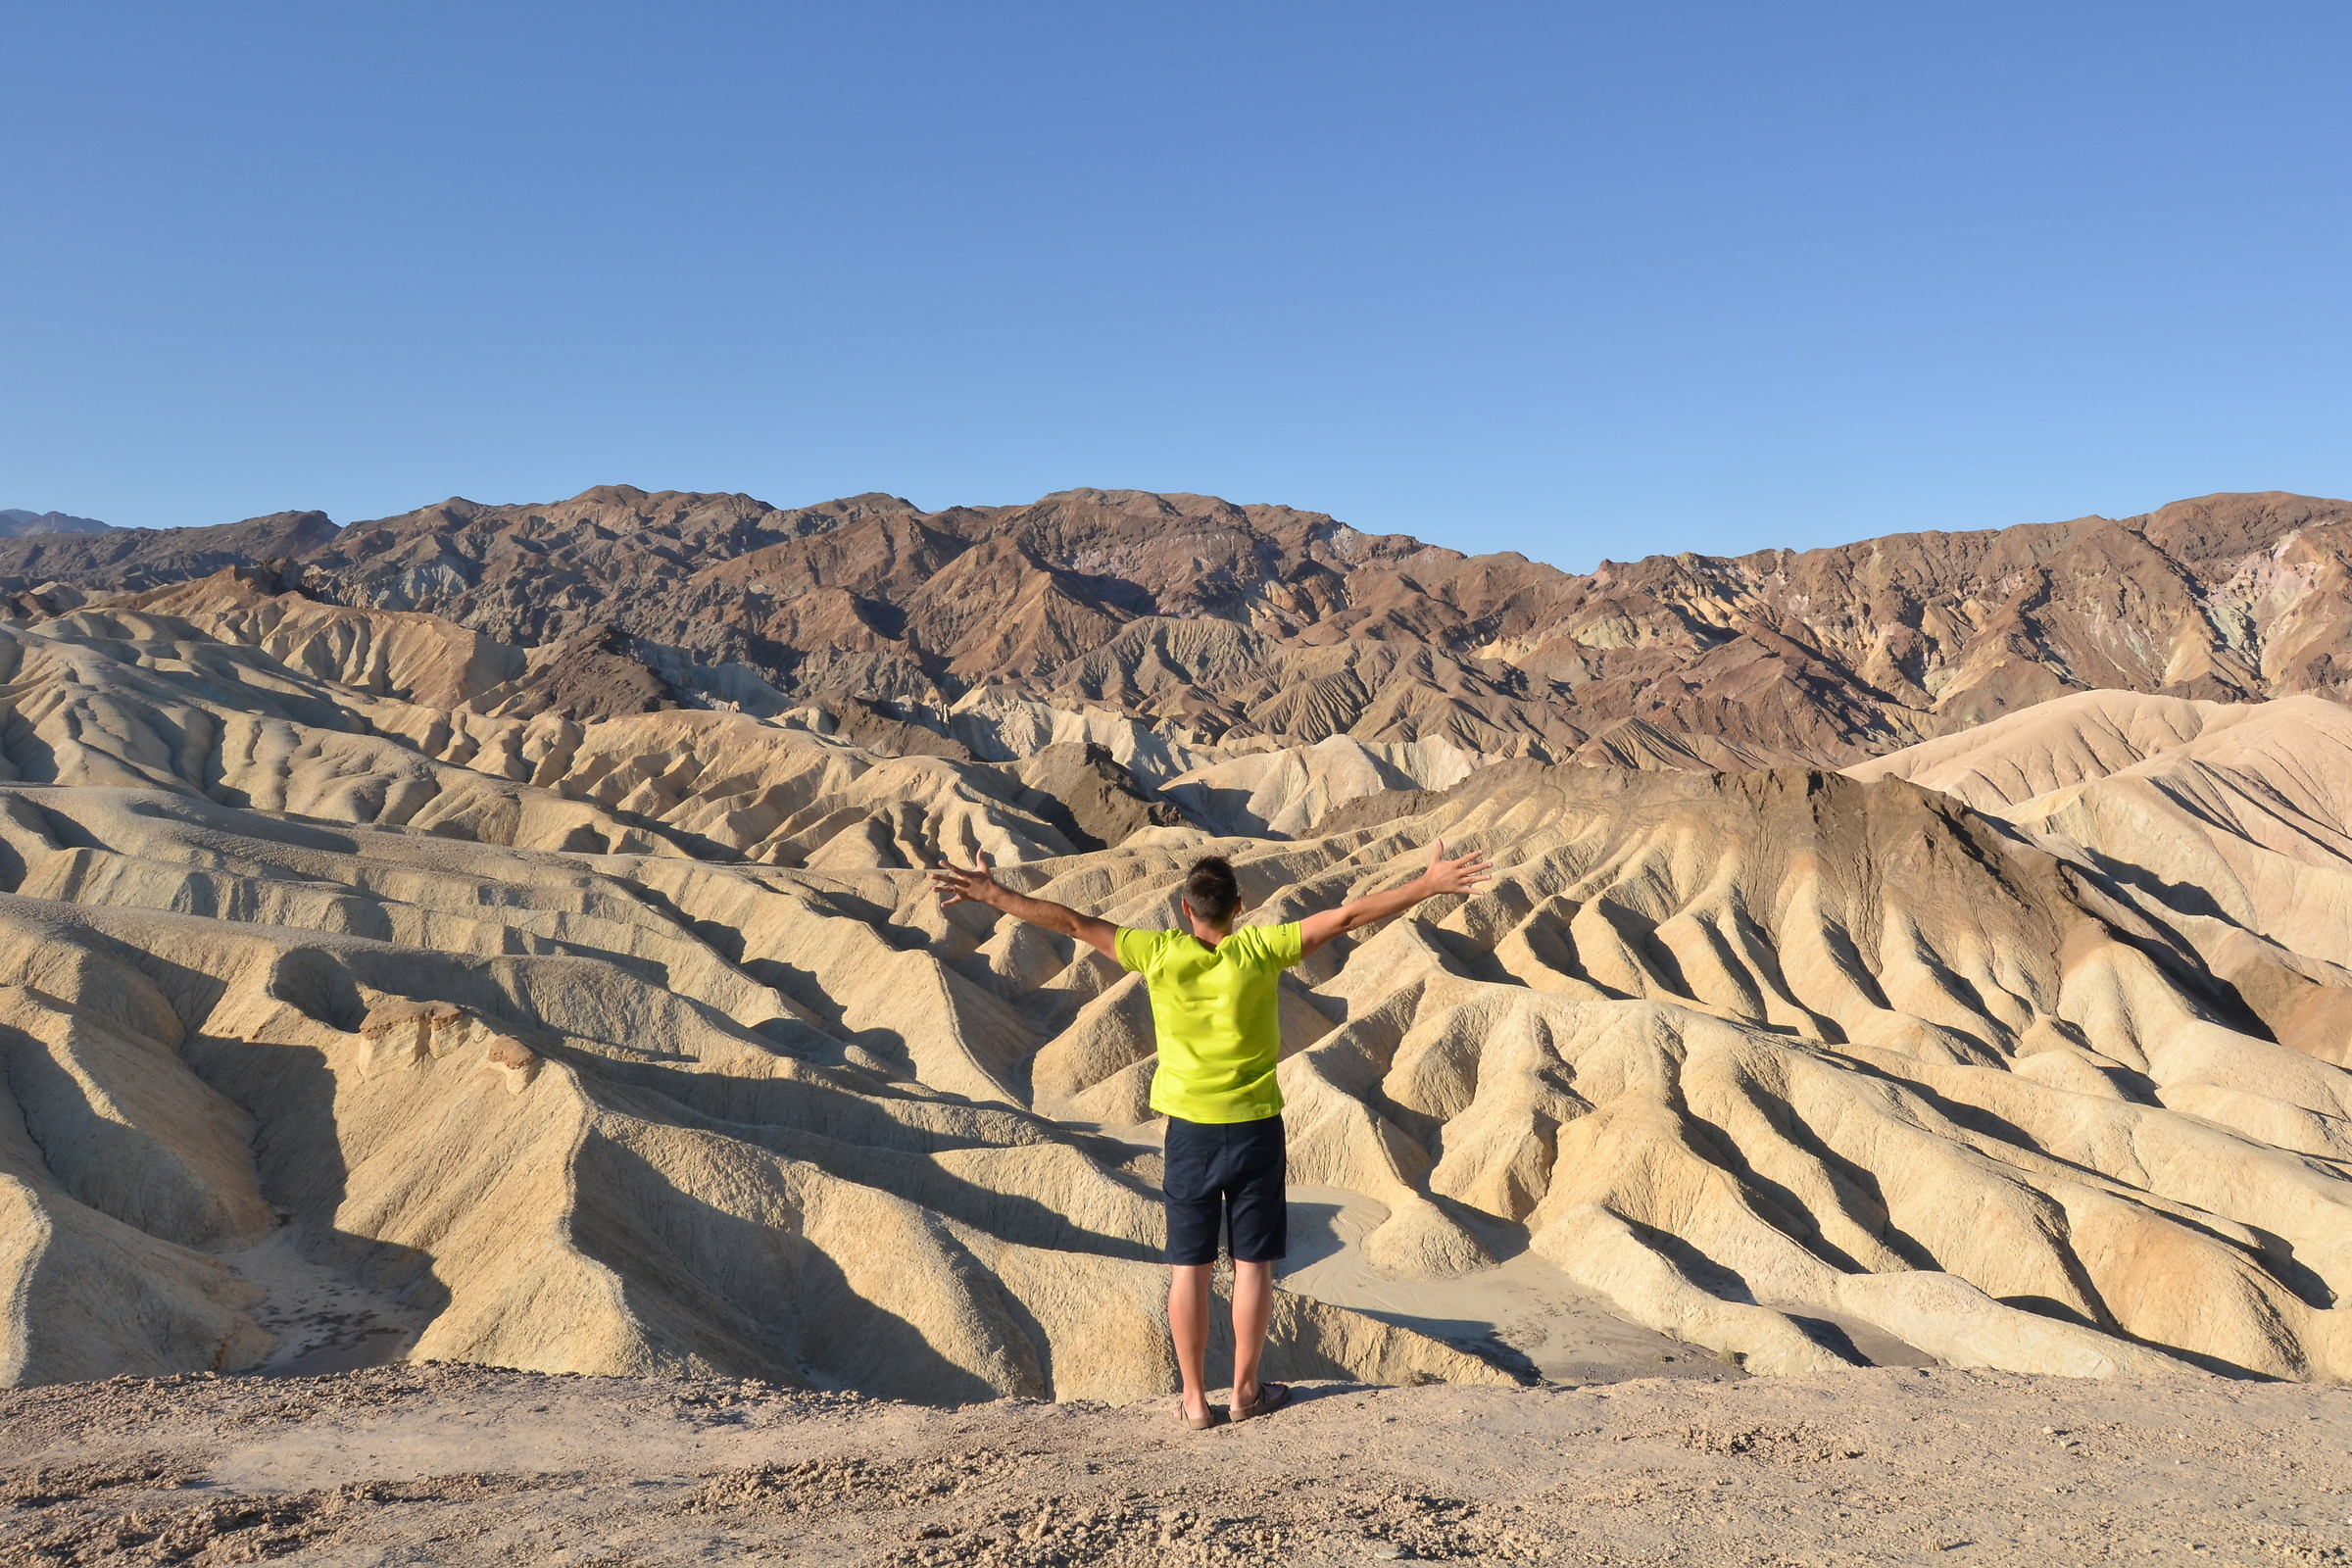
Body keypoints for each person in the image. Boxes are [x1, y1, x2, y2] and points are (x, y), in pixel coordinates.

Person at [928, 838, 1493, 1428]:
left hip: (1190, 1136)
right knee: (1253, 1265)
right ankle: (1246, 1391)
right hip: (1254, 1130)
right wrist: (1427, 884)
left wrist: (994, 894)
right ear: (1239, 907)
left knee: (1189, 1270)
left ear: (1184, 909)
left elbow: (1072, 922)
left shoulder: (1160, 954)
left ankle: (1195, 1400)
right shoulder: (1261, 950)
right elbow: (1347, 916)